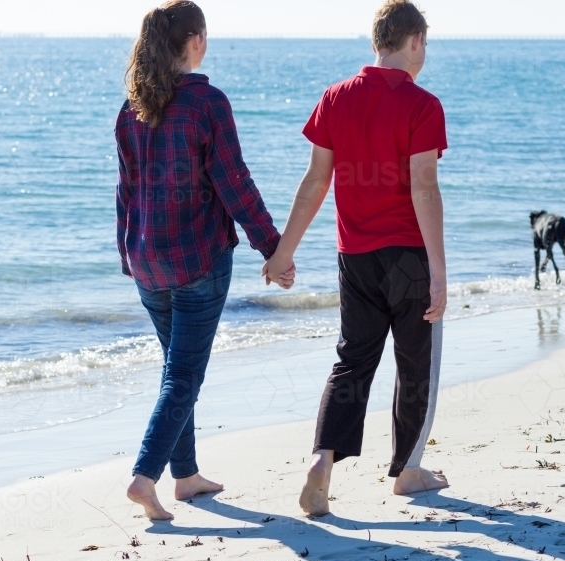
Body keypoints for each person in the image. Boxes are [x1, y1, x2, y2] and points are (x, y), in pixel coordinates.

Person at [262, 0, 449, 517]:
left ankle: (323, 459)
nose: (425, 53)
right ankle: (408, 471)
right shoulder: (422, 104)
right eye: (425, 44)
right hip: (408, 257)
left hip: (355, 257)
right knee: (416, 365)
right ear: (413, 41)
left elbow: (315, 183)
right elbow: (424, 190)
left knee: (353, 360)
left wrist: (284, 252)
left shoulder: (336, 98)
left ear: (376, 43)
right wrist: (438, 272)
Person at [116, 1, 294, 521]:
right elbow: (234, 183)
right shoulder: (207, 103)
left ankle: (186, 476)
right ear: (194, 41)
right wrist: (274, 249)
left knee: (176, 369)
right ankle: (144, 476)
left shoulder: (132, 109)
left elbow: (125, 194)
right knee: (184, 376)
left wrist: (127, 254)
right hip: (197, 261)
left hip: (148, 261)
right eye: (206, 37)